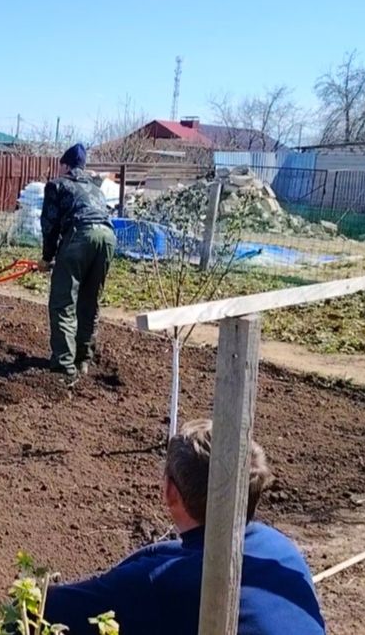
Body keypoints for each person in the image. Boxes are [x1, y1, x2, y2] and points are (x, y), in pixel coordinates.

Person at [44, 419, 325, 635]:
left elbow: (43, 611)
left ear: (171, 491)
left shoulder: (157, 583)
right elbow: (173, 553)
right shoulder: (280, 548)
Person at [38, 143, 116, 387]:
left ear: (65, 165)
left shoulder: (57, 185)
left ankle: (64, 366)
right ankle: (83, 360)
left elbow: (49, 224)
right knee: (90, 301)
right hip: (107, 238)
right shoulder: (96, 190)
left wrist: (47, 257)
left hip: (80, 236)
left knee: (63, 302)